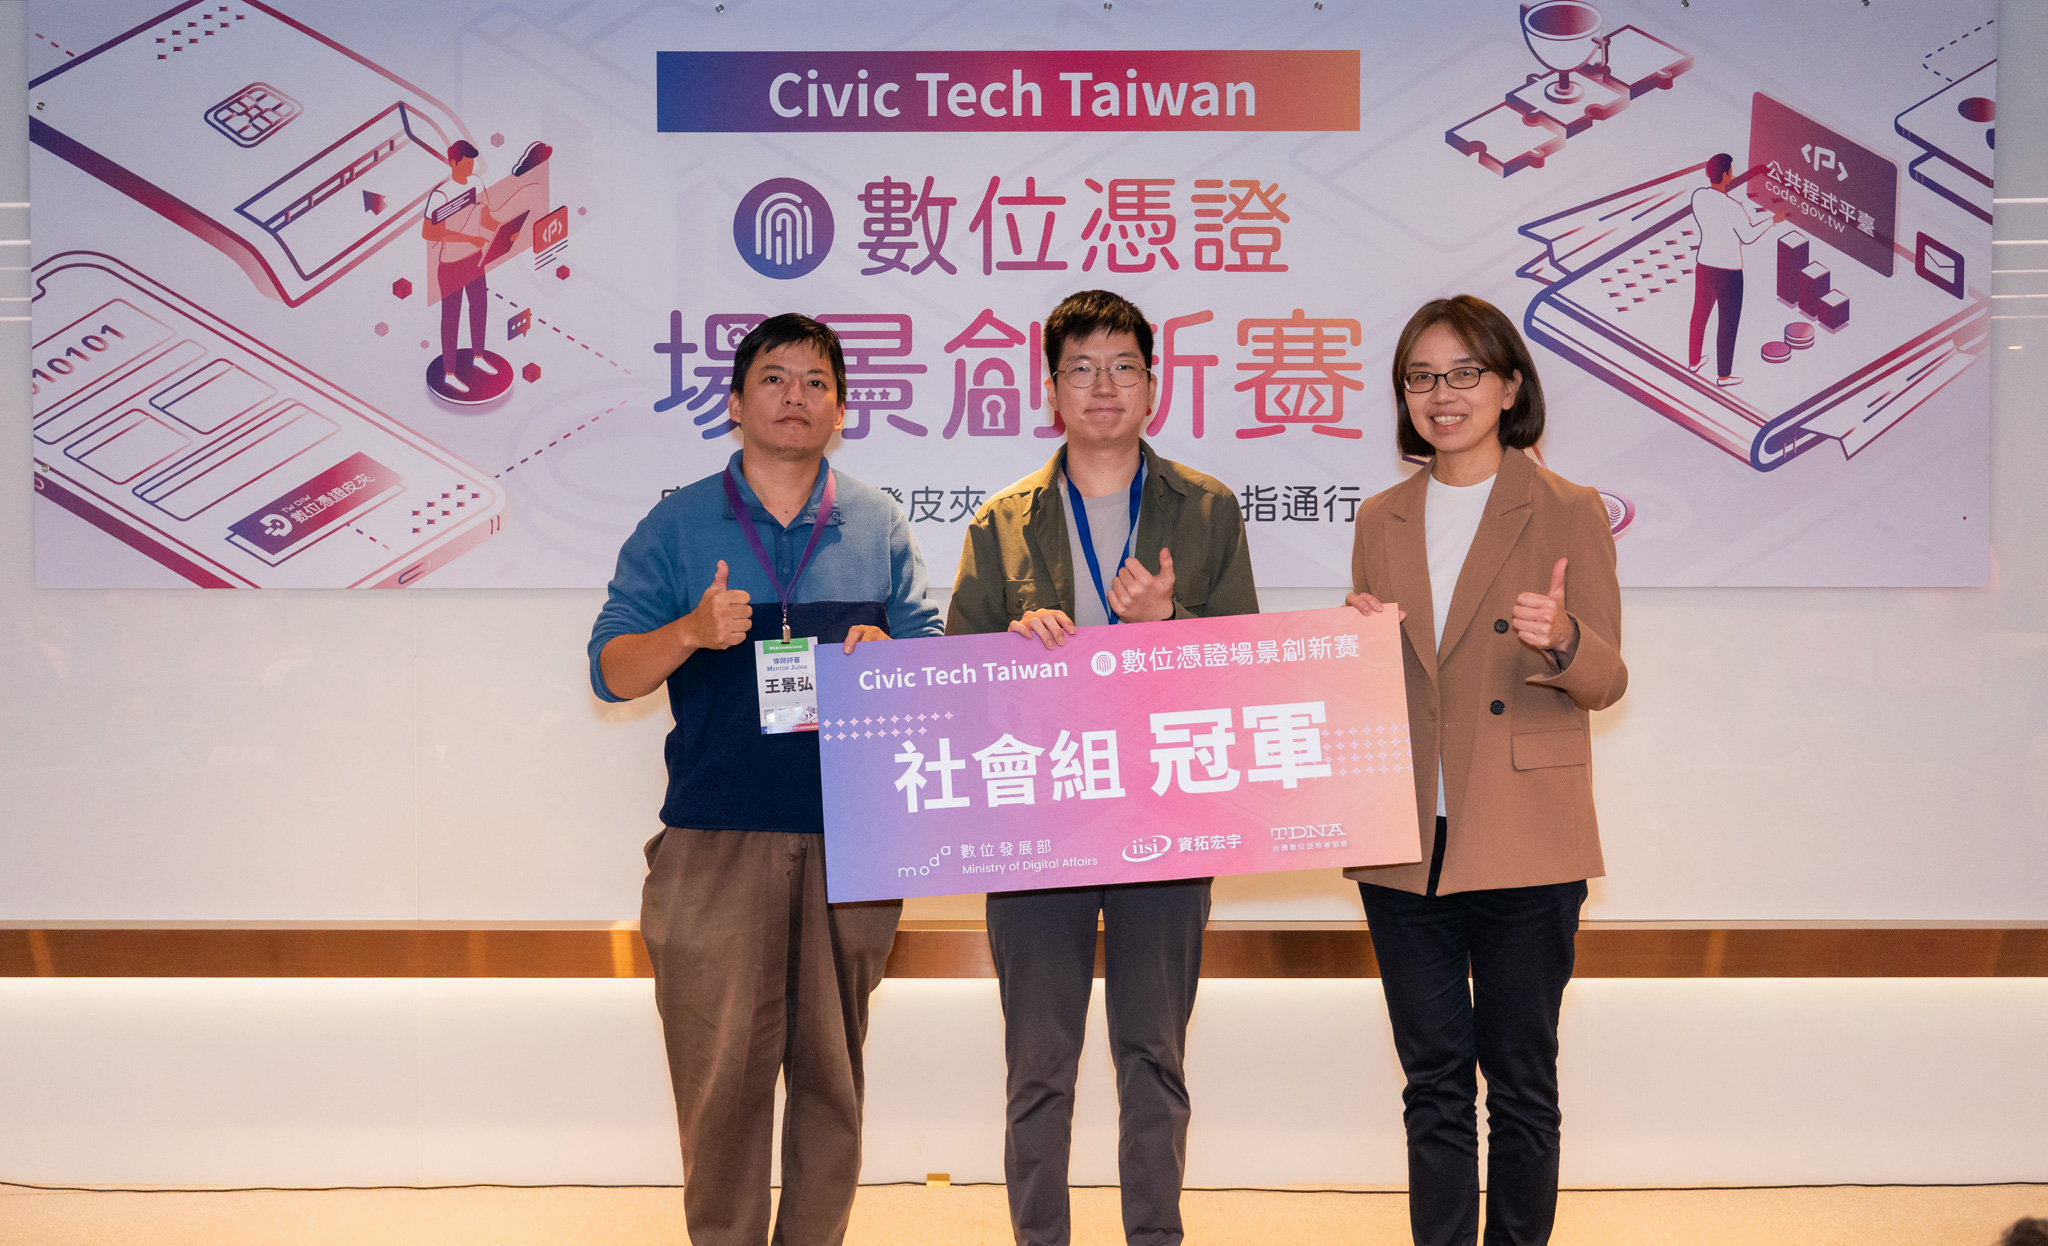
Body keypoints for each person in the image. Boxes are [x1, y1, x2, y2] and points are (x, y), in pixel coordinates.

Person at [587, 314, 943, 1246]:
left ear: (841, 410)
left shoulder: (877, 522)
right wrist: (690, 632)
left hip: (852, 841)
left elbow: (933, 660)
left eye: (817, 382)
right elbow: (611, 671)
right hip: (715, 840)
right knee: (720, 1083)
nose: (796, 396)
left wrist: (889, 653)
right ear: (737, 404)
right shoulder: (678, 524)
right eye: (775, 379)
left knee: (833, 1079)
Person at [948, 288, 1258, 1246]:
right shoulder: (1002, 521)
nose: (1103, 386)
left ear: (1154, 387)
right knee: (1038, 1063)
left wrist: (1169, 622)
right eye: (1080, 368)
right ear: (1051, 390)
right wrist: (1009, 644)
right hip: (1037, 820)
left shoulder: (1207, 508)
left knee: (1152, 1055)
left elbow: (1244, 664)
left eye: (1124, 367)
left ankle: (1154, 1236)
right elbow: (955, 681)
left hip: (1165, 811)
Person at [1344, 295, 1626, 1246]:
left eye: (1464, 373)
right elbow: (1390, 681)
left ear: (1509, 387)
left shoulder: (1568, 508)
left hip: (1523, 832)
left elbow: (1608, 679)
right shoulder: (1381, 517)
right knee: (1431, 1084)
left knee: (1520, 1084)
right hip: (1403, 836)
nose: (1442, 394)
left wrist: (1565, 638)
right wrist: (1354, 645)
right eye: (1421, 377)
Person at [1686, 152, 1788, 388]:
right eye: (1731, 169)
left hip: (1704, 266)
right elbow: (1748, 236)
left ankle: (1693, 362)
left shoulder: (1698, 196)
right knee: (1727, 324)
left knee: (1699, 316)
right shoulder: (1732, 207)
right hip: (1728, 273)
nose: (1732, 173)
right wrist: (1773, 220)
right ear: (1725, 175)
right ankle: (1723, 376)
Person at [421, 139, 501, 396]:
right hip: (451, 265)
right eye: (465, 164)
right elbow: (428, 232)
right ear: (453, 162)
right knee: (451, 317)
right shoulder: (441, 195)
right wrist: (468, 238)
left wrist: (504, 226)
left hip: (474, 259)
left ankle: (478, 357)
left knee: (479, 307)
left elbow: (486, 218)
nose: (470, 168)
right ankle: (449, 374)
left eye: (472, 164)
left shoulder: (477, 183)